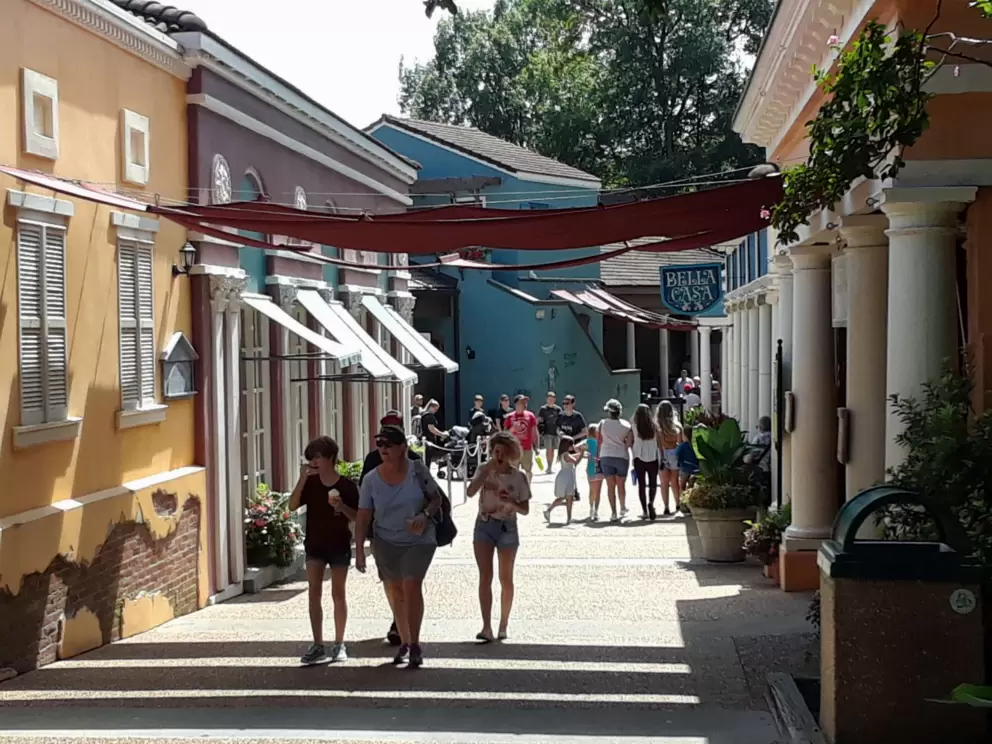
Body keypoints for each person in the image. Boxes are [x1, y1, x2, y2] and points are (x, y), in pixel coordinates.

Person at [355, 425, 443, 668]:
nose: (383, 449)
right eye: (380, 445)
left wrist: (425, 515)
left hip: (419, 539)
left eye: (389, 444)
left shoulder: (417, 470)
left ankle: (415, 643)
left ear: (403, 447)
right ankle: (404, 640)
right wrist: (360, 551)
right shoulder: (372, 479)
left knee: (411, 584)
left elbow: (436, 498)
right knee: (394, 590)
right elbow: (363, 516)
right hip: (385, 540)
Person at [289, 436, 359, 666]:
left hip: (339, 544)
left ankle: (339, 643)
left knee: (338, 594)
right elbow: (292, 506)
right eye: (311, 458)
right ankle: (317, 644)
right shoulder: (310, 483)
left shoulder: (346, 485)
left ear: (329, 457)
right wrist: (301, 479)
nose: (314, 461)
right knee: (313, 593)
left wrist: (341, 507)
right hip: (315, 545)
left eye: (318, 457)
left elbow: (359, 517)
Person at [358, 411, 422, 648]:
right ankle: (399, 621)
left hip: (413, 535)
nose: (385, 443)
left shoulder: (415, 460)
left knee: (409, 582)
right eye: (383, 433)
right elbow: (364, 501)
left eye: (391, 433)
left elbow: (430, 496)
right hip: (381, 532)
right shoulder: (372, 461)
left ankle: (407, 631)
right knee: (390, 582)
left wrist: (423, 517)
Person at [466, 431, 531, 642]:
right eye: (495, 451)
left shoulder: (518, 477)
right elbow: (470, 492)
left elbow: (525, 509)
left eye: (502, 452)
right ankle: (486, 626)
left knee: (506, 578)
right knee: (485, 576)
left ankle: (503, 623)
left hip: (507, 527)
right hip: (484, 524)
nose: (498, 456)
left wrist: (512, 502)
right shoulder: (485, 469)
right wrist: (485, 472)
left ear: (511, 453)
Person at [596, 399, 633, 523]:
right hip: (621, 456)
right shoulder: (626, 425)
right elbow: (628, 443)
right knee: (621, 485)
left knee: (610, 486)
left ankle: (613, 513)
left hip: (606, 455)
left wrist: (597, 457)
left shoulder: (602, 423)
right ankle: (622, 507)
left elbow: (599, 441)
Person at [631, 403, 660, 521]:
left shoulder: (634, 426)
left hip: (639, 457)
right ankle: (651, 502)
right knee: (653, 483)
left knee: (641, 485)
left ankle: (644, 510)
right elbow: (659, 443)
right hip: (653, 456)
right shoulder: (654, 427)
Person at [544, 436, 581, 524]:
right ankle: (567, 517)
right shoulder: (566, 454)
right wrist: (582, 453)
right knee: (567, 497)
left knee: (567, 497)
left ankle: (566, 517)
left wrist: (580, 453)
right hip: (567, 476)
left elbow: (573, 456)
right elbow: (576, 462)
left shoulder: (564, 453)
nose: (573, 446)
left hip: (565, 475)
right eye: (571, 444)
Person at [504, 394, 540, 483]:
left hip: (527, 449)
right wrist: (512, 429)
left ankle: (527, 489)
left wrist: (536, 446)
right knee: (512, 471)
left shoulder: (530, 416)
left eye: (525, 402)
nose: (525, 404)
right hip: (513, 449)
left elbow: (535, 432)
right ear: (516, 404)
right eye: (522, 402)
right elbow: (504, 434)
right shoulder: (510, 417)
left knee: (528, 470)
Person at [656, 400, 683, 516]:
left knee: (663, 483)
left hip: (662, 452)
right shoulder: (677, 426)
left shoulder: (657, 427)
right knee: (675, 481)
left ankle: (666, 506)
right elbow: (680, 443)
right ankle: (677, 504)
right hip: (674, 453)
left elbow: (657, 443)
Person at [582, 423, 604, 521]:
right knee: (598, 491)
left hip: (590, 467)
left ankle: (591, 509)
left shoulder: (587, 441)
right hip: (600, 467)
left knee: (592, 490)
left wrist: (584, 454)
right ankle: (596, 510)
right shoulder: (601, 442)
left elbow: (577, 447)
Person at [537, 392, 563, 475]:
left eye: (552, 399)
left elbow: (561, 419)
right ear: (547, 399)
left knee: (555, 450)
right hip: (547, 433)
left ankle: (555, 465)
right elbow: (539, 420)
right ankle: (549, 467)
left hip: (556, 432)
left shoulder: (558, 409)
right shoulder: (543, 409)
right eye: (549, 399)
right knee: (549, 450)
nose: (550, 401)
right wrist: (540, 430)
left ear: (554, 399)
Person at [420, 399, 447, 471]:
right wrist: (441, 434)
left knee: (424, 459)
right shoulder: (429, 416)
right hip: (428, 441)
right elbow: (431, 429)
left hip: (422, 440)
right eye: (435, 409)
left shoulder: (423, 414)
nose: (436, 411)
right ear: (431, 407)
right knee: (427, 460)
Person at [676, 426, 700, 494]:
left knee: (682, 486)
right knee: (692, 486)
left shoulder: (682, 445)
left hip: (684, 468)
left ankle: (682, 499)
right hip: (695, 468)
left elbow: (676, 455)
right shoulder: (695, 445)